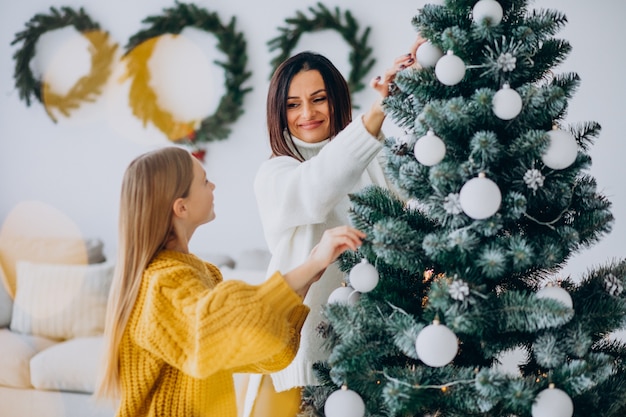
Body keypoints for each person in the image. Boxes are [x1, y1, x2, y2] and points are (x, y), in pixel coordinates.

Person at [94, 146, 365, 417]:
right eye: (203, 181)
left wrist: (307, 279)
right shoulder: (161, 283)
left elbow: (264, 355)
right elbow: (212, 325)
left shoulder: (202, 273)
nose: (212, 185)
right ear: (182, 207)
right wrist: (307, 267)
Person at [246, 46, 421, 416]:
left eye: (318, 99)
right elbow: (319, 186)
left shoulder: (375, 153)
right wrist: (376, 113)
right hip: (310, 362)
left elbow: (427, 180)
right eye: (293, 105)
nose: (307, 113)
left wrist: (422, 83)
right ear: (279, 112)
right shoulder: (277, 174)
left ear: (336, 99)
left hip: (384, 345)